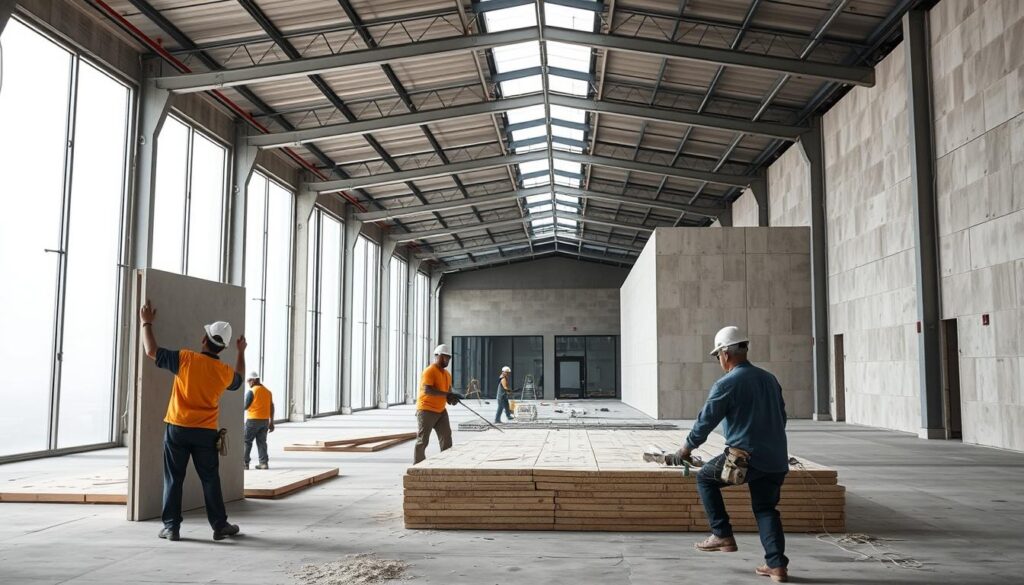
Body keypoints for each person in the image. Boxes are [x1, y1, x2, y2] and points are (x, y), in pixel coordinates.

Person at [664, 326, 791, 583]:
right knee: (766, 509)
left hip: (746, 457)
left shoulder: (728, 382)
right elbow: (782, 417)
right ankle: (777, 567)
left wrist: (686, 449)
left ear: (725, 353)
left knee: (705, 479)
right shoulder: (769, 379)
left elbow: (706, 420)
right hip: (776, 459)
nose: (718, 361)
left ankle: (722, 534)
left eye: (717, 355)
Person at [139, 300, 245, 543]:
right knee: (210, 479)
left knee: (174, 478)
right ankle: (219, 526)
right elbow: (239, 378)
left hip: (177, 428)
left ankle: (171, 528)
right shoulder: (224, 373)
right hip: (206, 432)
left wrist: (146, 322)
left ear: (204, 339)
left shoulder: (186, 359)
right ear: (222, 348)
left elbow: (151, 351)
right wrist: (241, 352)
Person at [413, 344, 462, 464]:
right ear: (437, 356)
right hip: (426, 410)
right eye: (445, 357)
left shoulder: (447, 375)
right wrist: (447, 394)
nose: (447, 360)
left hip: (441, 411)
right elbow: (427, 390)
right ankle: (418, 466)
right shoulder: (429, 371)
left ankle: (446, 464)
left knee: (446, 437)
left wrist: (452, 399)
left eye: (449, 358)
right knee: (423, 440)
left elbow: (447, 393)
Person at [243, 372, 275, 470]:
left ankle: (245, 464)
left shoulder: (252, 391)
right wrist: (271, 422)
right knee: (262, 442)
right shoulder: (268, 391)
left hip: (253, 420)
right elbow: (272, 407)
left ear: (254, 380)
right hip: (265, 421)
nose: (248, 383)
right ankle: (263, 463)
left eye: (249, 380)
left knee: (247, 442)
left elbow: (245, 406)